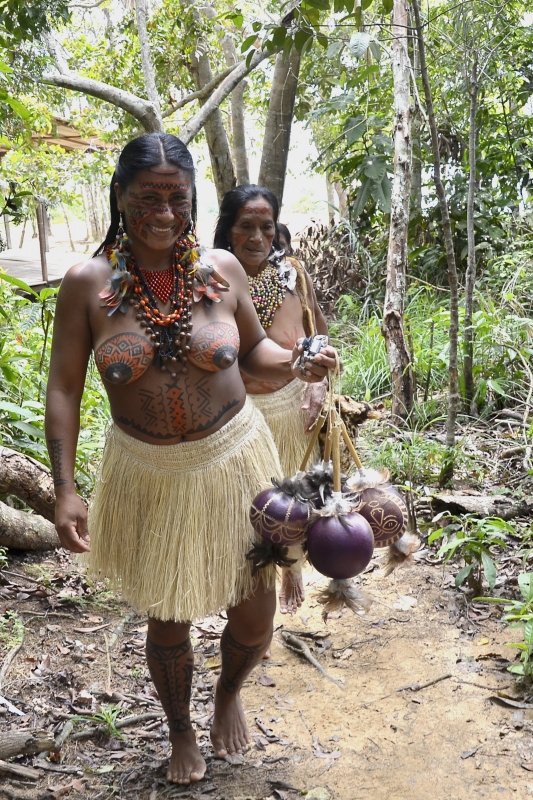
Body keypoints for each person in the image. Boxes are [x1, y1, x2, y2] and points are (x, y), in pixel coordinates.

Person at [44, 134, 337, 786]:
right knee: (169, 615)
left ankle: (229, 691)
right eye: (149, 197)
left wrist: (297, 360)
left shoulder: (221, 269)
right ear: (120, 198)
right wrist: (64, 487)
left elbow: (258, 354)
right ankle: (180, 727)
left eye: (178, 198)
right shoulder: (87, 285)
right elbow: (63, 387)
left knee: (254, 612)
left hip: (235, 460)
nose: (165, 212)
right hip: (148, 474)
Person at [213, 186, 330, 615]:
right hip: (241, 416)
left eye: (266, 227)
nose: (258, 237)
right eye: (246, 226)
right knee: (254, 507)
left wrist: (318, 385)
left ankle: (293, 565)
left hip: (292, 408)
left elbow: (318, 332)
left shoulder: (293, 275)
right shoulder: (211, 281)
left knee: (297, 495)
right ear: (228, 228)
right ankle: (254, 581)